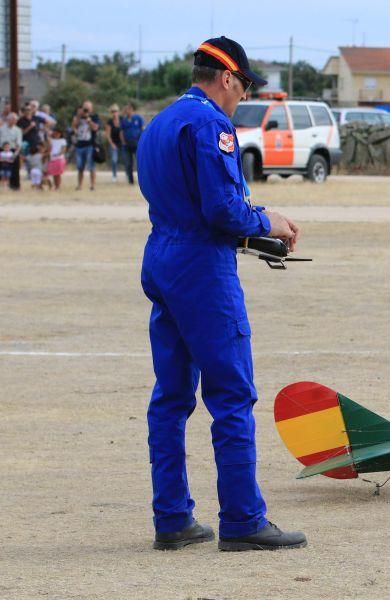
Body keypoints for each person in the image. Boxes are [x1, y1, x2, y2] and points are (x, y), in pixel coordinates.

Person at [138, 36, 306, 552]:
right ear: (228, 78)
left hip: (161, 254)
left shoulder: (160, 122)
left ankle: (172, 518)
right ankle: (242, 518)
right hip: (200, 265)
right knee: (232, 393)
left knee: (170, 397)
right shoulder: (212, 124)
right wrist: (268, 221)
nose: (241, 97)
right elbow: (222, 210)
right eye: (243, 86)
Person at [72, 101, 100, 190]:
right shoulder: (78, 117)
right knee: (80, 167)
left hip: (90, 145)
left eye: (87, 108)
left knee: (91, 166)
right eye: (84, 108)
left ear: (91, 109)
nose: (86, 110)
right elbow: (74, 126)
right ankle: (79, 185)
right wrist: (79, 116)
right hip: (79, 144)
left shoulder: (94, 117)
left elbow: (95, 128)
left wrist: (89, 119)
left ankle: (93, 185)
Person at [121, 102, 144, 184]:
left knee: (139, 162)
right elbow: (122, 131)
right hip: (127, 145)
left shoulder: (138, 118)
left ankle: (142, 180)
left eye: (128, 109)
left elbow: (142, 129)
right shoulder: (124, 120)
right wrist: (123, 141)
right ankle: (131, 180)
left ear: (132, 110)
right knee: (128, 163)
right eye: (126, 110)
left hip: (137, 143)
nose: (126, 111)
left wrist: (142, 141)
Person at [0, 112, 22, 190]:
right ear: (8, 120)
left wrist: (16, 153)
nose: (13, 121)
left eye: (15, 120)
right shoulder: (1, 129)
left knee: (15, 168)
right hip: (1, 149)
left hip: (13, 150)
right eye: (12, 119)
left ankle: (15, 186)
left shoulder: (18, 130)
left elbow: (19, 143)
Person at [105, 104, 124, 182]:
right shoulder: (109, 122)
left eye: (115, 111)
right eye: (112, 111)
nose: (114, 113)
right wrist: (112, 144)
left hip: (122, 143)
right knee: (114, 160)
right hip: (114, 144)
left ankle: (127, 174)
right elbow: (108, 135)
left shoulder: (122, 120)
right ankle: (114, 175)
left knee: (126, 160)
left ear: (118, 112)